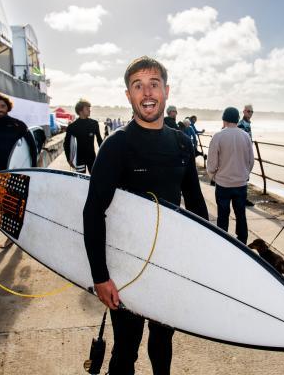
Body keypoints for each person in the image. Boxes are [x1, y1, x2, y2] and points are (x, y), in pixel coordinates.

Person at [83, 56, 208, 374]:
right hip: (125, 265)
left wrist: (202, 264)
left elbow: (196, 206)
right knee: (126, 347)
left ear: (166, 91)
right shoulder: (117, 145)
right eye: (138, 86)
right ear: (128, 95)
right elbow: (93, 210)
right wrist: (100, 276)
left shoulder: (181, 143)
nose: (147, 92)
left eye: (154, 84)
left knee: (163, 340)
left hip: (168, 263)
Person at [0, 93, 37, 248]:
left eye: (2, 106)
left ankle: (17, 235)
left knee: (18, 204)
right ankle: (11, 236)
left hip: (18, 169)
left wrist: (34, 169)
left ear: (8, 107)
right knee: (2, 207)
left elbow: (32, 147)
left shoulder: (18, 125)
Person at [206, 107, 255, 244]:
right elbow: (251, 161)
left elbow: (211, 163)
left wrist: (213, 176)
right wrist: (245, 174)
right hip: (240, 183)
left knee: (223, 215)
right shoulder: (245, 136)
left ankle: (223, 242)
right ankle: (242, 240)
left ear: (224, 119)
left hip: (223, 183)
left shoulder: (218, 136)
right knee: (241, 214)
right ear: (236, 119)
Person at [63, 99, 103, 174]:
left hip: (92, 157)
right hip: (79, 159)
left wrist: (104, 154)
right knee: (80, 180)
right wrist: (69, 159)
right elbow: (66, 144)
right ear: (80, 111)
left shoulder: (94, 124)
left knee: (95, 179)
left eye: (89, 108)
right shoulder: (72, 127)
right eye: (87, 108)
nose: (89, 110)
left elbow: (99, 140)